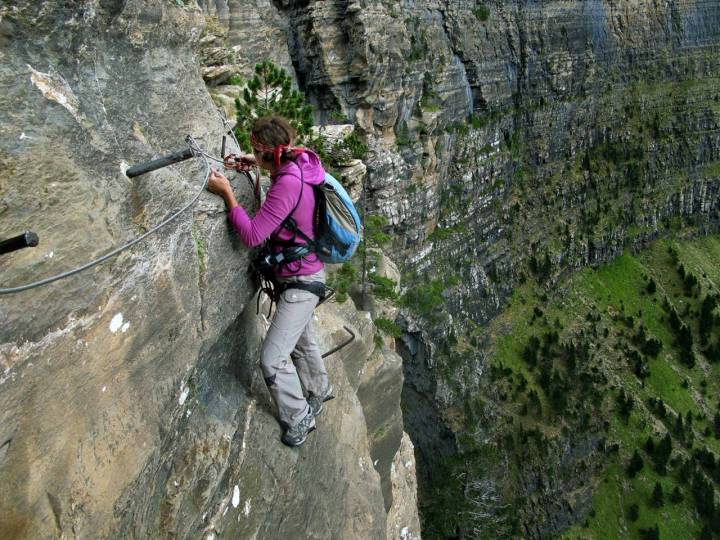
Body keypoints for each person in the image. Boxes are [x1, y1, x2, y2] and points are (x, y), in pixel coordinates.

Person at [207, 115, 332, 447]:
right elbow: (279, 176)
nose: (252, 155)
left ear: (268, 152)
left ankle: (299, 417)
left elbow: (251, 234)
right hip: (305, 274)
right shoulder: (298, 165)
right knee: (302, 340)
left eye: (254, 151)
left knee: (272, 358)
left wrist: (226, 194)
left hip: (300, 281)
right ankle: (319, 389)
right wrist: (255, 163)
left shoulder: (287, 183)